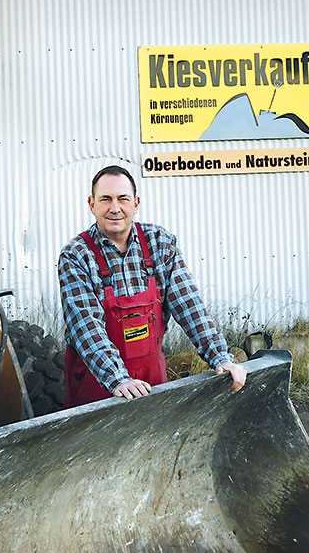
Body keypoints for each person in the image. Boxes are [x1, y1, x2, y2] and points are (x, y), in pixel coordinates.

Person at [58, 165, 247, 407]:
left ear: (136, 203)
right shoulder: (76, 255)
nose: (115, 208)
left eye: (122, 199)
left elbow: (189, 305)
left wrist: (220, 357)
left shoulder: (160, 243)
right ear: (91, 204)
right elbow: (85, 327)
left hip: (152, 379)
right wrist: (118, 380)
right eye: (105, 199)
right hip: (97, 384)